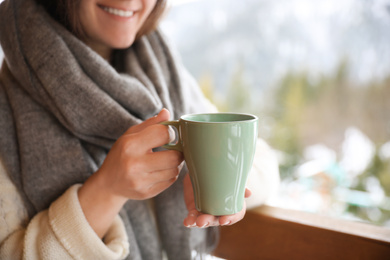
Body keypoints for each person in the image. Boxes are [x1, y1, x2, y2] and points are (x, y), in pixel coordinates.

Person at [0, 0, 279, 259]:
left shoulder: (162, 69)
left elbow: (265, 163)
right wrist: (107, 189)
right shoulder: (7, 104)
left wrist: (219, 178)